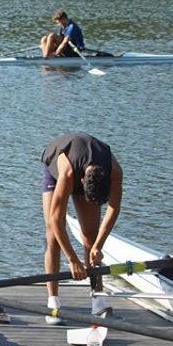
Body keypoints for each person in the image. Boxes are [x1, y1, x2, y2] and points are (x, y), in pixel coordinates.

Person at [40, 132, 123, 323]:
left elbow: (114, 208)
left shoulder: (114, 171)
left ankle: (98, 302)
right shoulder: (68, 173)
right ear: (83, 182)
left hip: (88, 169)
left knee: (90, 237)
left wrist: (98, 246)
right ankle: (53, 302)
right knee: (53, 236)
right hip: (56, 167)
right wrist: (73, 260)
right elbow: (55, 220)